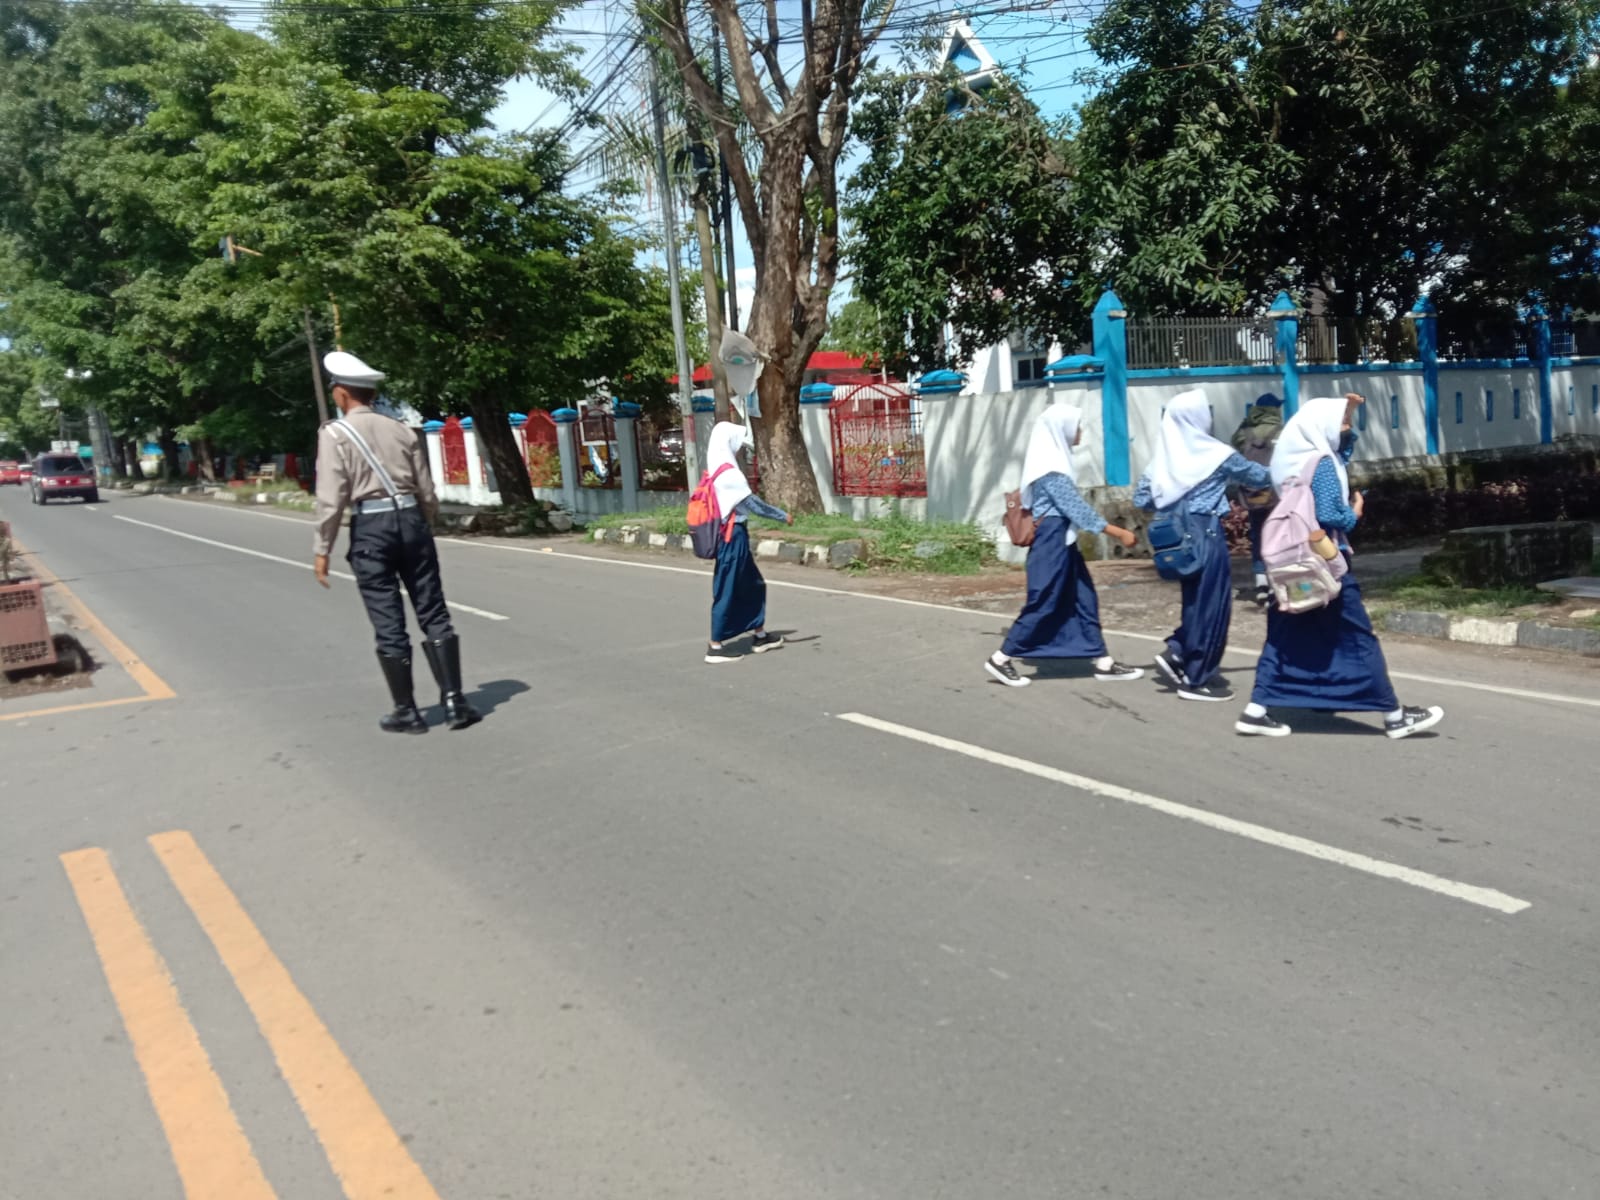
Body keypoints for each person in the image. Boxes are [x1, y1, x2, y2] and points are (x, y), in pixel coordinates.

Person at [1235, 394, 1443, 739]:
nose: (1346, 426)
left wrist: (1350, 416)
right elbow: (1332, 513)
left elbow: (1339, 453)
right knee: (1357, 634)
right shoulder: (1322, 463)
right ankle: (1394, 717)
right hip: (1326, 563)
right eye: (1342, 421)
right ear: (1323, 427)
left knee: (1285, 634)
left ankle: (1256, 710)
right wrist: (1354, 514)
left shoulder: (1292, 459)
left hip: (1294, 567)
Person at [312, 350, 480, 733]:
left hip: (371, 528)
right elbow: (427, 489)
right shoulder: (401, 430)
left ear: (341, 394)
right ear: (371, 394)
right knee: (433, 610)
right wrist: (424, 523)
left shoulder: (335, 434)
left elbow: (331, 497)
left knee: (389, 621)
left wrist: (322, 549)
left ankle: (408, 711)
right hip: (412, 523)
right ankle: (455, 701)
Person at [985, 404, 1143, 688]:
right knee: (1044, 600)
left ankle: (1103, 661)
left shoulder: (1054, 461)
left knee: (1084, 599)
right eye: (1077, 426)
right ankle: (1001, 658)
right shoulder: (1050, 469)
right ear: (1062, 428)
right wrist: (1119, 533)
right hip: (1051, 542)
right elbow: (1077, 510)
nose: (1080, 432)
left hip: (1062, 542)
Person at [1135, 388, 1272, 702]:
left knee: (1195, 603)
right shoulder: (1216, 455)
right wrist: (1298, 469)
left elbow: (1142, 499)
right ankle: (1196, 679)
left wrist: (1175, 494)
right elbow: (1259, 476)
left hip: (1176, 540)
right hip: (1206, 533)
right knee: (1212, 607)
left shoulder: (1162, 460)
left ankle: (1180, 653)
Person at [704, 420, 792, 663]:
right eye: (738, 443)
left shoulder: (717, 468)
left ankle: (760, 635)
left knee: (752, 584)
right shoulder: (729, 473)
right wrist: (782, 515)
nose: (740, 449)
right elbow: (752, 504)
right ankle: (715, 646)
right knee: (728, 588)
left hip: (732, 535)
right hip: (733, 537)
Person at [1231, 392, 1285, 606]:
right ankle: (1276, 583)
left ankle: (1260, 583)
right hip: (1276, 494)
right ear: (1275, 410)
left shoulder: (1245, 432)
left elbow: (1235, 446)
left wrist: (1247, 420)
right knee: (1279, 536)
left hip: (1251, 494)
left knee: (1257, 536)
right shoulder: (1282, 431)